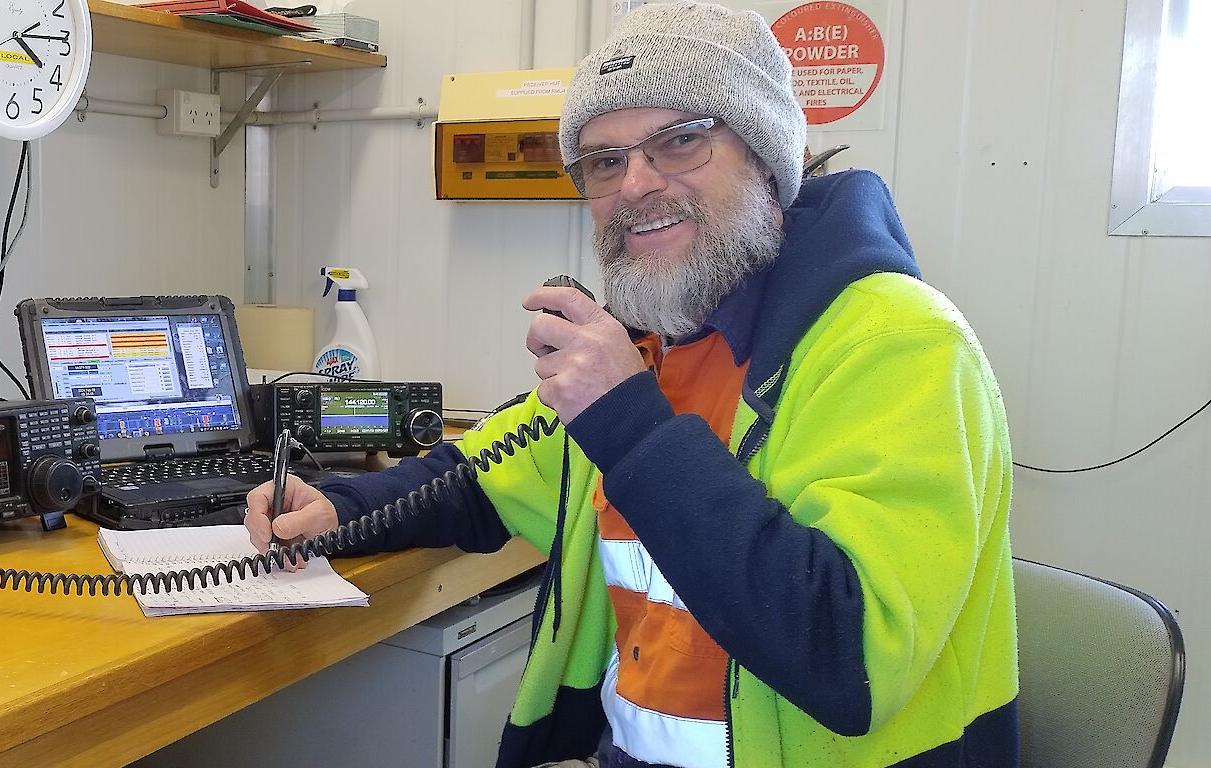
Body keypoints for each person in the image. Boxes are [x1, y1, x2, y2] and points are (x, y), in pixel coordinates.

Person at [244, 2, 1018, 767]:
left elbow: (847, 662)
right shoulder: (657, 335)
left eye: (680, 141)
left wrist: (631, 425)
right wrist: (339, 509)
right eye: (604, 161)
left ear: (769, 159)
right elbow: (487, 476)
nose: (635, 185)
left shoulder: (900, 344)